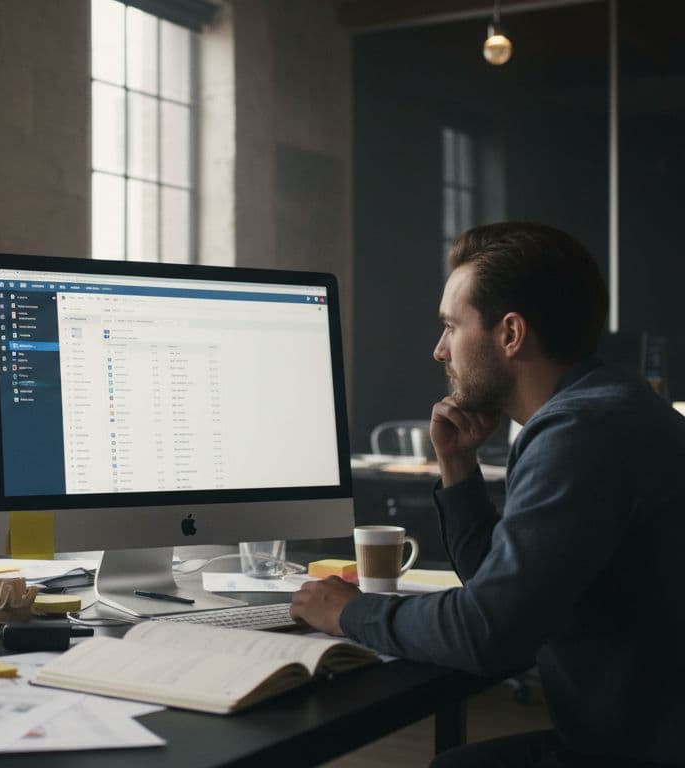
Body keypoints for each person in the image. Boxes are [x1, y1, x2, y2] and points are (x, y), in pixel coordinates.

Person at [290, 222, 684, 766]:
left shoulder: (579, 433)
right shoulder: (609, 404)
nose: (439, 350)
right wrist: (458, 465)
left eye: (451, 326)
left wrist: (350, 612)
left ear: (512, 334)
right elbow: (499, 593)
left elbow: (488, 632)